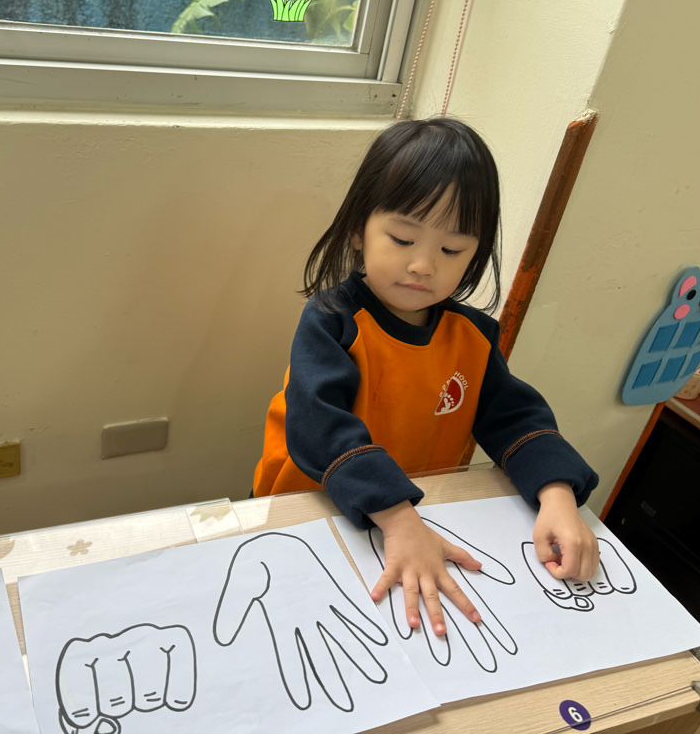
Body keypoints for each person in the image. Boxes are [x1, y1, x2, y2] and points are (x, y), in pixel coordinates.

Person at [253, 117, 600, 637]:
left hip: (415, 514)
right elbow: (319, 428)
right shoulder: (332, 321)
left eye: (451, 250)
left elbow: (514, 417)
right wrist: (397, 517)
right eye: (401, 238)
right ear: (357, 229)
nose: (422, 265)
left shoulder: (472, 335)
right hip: (313, 509)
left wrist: (557, 494)